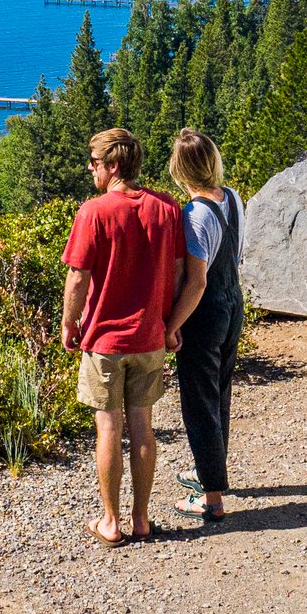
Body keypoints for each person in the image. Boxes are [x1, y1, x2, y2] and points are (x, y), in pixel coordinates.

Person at [61, 127, 195, 547]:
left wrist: (69, 323)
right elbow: (176, 273)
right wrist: (169, 324)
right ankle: (141, 518)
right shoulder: (167, 208)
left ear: (113, 167)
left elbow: (78, 276)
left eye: (95, 163)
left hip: (105, 341)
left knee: (107, 428)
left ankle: (110, 522)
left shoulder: (94, 212)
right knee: (143, 427)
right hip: (150, 338)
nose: (90, 168)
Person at [166, 128, 244, 520]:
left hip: (207, 312)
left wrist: (170, 325)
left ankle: (210, 498)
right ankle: (209, 471)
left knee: (199, 404)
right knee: (220, 395)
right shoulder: (231, 198)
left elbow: (196, 282)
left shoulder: (194, 214)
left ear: (179, 169)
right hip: (234, 304)